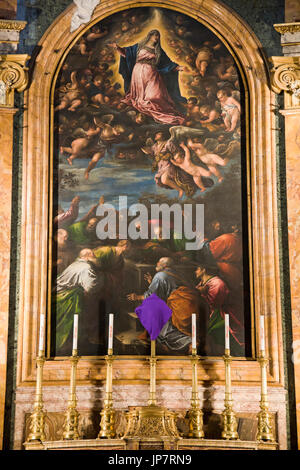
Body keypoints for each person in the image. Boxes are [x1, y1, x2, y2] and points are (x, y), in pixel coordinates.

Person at [110, 30, 186, 125]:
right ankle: (142, 106)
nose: (157, 38)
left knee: (155, 95)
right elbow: (127, 53)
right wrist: (117, 48)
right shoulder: (139, 46)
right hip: (138, 72)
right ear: (150, 36)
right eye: (155, 35)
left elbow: (167, 63)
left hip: (152, 73)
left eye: (158, 36)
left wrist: (177, 67)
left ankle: (159, 110)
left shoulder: (158, 50)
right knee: (141, 98)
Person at [53, 248, 104, 353]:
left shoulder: (75, 264)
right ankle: (84, 339)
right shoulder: (86, 267)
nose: (95, 257)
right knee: (92, 306)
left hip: (58, 292)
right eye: (93, 255)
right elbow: (90, 288)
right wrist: (101, 281)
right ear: (87, 256)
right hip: (66, 296)